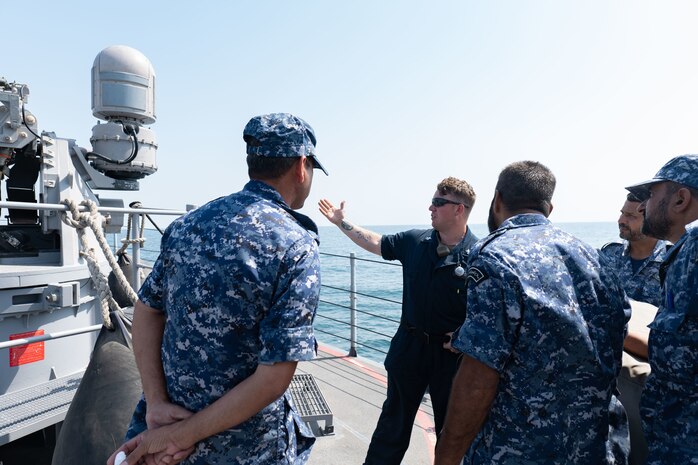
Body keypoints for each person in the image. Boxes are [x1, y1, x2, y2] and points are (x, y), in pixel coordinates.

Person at [107, 113, 327, 465]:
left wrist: (157, 403)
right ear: (302, 166)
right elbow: (273, 378)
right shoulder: (295, 245)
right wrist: (179, 436)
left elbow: (147, 309)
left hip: (166, 431)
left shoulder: (187, 225)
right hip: (246, 447)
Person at [435, 161, 630, 465]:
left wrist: (446, 456)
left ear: (497, 200)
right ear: (549, 208)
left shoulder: (494, 257)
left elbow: (478, 378)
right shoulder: (596, 258)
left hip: (518, 450)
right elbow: (615, 338)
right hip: (594, 448)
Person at [318, 177, 478, 465]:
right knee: (392, 428)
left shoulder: (479, 255)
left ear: (459, 210)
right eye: (433, 201)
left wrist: (466, 334)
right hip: (410, 349)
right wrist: (342, 223)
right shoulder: (414, 242)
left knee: (451, 434)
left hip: (451, 358)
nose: (431, 207)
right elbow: (377, 243)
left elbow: (486, 310)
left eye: (439, 203)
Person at [625, 154, 698, 465]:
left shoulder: (694, 248)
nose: (643, 207)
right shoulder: (684, 251)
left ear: (680, 198)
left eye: (652, 195)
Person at [600, 192, 670, 307]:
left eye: (630, 216)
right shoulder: (609, 254)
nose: (621, 220)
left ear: (652, 220)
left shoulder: (673, 259)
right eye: (622, 213)